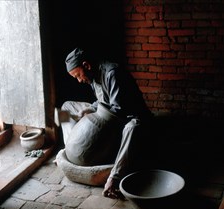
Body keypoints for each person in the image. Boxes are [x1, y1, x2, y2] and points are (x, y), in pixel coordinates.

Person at [55, 47, 153, 199]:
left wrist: (92, 119)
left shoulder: (113, 73)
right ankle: (70, 147)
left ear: (86, 65)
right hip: (103, 113)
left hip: (127, 118)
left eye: (78, 75)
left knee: (133, 127)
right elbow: (101, 101)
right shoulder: (92, 76)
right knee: (65, 108)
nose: (79, 80)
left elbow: (118, 111)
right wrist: (89, 110)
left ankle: (114, 177)